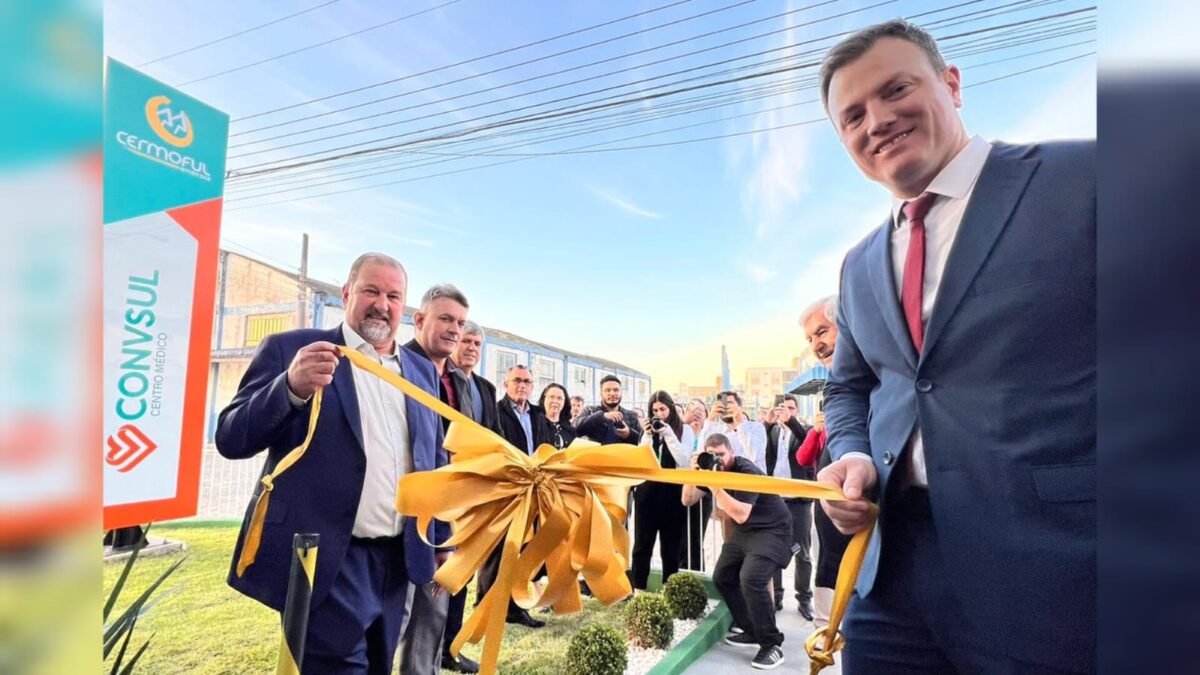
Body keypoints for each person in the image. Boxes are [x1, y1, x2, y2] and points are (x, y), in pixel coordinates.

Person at [818, 20, 1095, 673]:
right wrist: (852, 453)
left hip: (1058, 568)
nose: (877, 120)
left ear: (951, 83)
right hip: (890, 576)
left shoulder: (1087, 178)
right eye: (852, 115)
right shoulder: (858, 265)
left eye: (895, 90)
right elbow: (848, 390)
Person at [216, 252, 449, 673]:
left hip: (398, 562)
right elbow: (231, 437)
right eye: (371, 291)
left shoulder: (420, 371)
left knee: (380, 664)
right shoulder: (294, 349)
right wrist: (289, 387)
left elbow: (433, 459)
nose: (383, 304)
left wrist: (441, 537)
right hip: (328, 561)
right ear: (346, 294)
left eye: (394, 296)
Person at [398, 284, 479, 675]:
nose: (454, 330)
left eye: (460, 323)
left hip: (452, 515)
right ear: (419, 319)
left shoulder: (459, 381)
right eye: (445, 319)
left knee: (432, 614)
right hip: (404, 515)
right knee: (395, 619)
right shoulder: (395, 366)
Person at [683, 434, 791, 670]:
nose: (717, 460)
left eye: (721, 454)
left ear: (731, 452)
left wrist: (714, 485)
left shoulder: (746, 471)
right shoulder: (710, 469)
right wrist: (692, 474)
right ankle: (752, 630)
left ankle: (772, 644)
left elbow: (741, 514)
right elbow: (687, 500)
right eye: (712, 454)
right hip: (746, 531)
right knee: (722, 576)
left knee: (752, 578)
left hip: (772, 529)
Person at [478, 365, 551, 628]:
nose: (522, 385)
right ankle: (489, 605)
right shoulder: (497, 411)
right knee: (496, 549)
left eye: (527, 381)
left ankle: (512, 606)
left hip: (533, 491)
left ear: (533, 387)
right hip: (505, 489)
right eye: (517, 380)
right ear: (506, 383)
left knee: (521, 548)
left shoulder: (539, 415)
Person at [795, 295, 851, 631]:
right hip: (831, 533)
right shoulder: (835, 390)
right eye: (810, 339)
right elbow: (804, 458)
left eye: (822, 332)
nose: (817, 344)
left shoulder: (880, 380)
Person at [630, 391, 693, 590]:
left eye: (663, 409)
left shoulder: (685, 430)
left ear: (671, 408)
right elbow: (642, 459)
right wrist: (648, 435)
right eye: (655, 410)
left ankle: (670, 589)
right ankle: (639, 588)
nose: (659, 414)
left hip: (673, 493)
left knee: (671, 546)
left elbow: (684, 461)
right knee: (642, 545)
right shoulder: (647, 431)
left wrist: (669, 434)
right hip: (647, 493)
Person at [762, 394, 814, 619]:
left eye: (791, 408)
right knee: (774, 550)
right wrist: (767, 422)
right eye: (782, 408)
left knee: (802, 552)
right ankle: (777, 596)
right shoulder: (773, 431)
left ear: (797, 411)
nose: (786, 412)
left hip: (799, 501)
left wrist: (791, 422)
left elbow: (805, 441)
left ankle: (804, 598)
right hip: (776, 499)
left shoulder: (807, 429)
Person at [679, 398, 714, 572]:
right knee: (677, 537)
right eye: (692, 409)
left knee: (694, 537)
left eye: (701, 410)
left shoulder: (708, 435)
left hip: (701, 491)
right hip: (678, 490)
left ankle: (695, 574)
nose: (696, 413)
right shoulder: (679, 433)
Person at [450, 321, 500, 434]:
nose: (472, 348)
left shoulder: (488, 388)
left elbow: (496, 432)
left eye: (477, 344)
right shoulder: (439, 378)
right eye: (466, 341)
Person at [699, 391, 766, 470]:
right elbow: (702, 453)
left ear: (740, 407)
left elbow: (755, 455)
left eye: (730, 403)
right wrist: (710, 420)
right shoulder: (718, 430)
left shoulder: (756, 427)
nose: (725, 407)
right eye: (722, 404)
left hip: (752, 479)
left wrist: (739, 424)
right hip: (727, 480)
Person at [573, 375, 643, 445]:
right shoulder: (590, 411)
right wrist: (602, 416)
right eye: (607, 390)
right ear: (601, 393)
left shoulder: (632, 416)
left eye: (616, 390)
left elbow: (642, 442)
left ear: (621, 392)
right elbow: (574, 429)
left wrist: (629, 434)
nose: (612, 393)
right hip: (597, 455)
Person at [537, 383, 576, 449]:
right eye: (551, 397)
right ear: (544, 399)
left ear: (564, 402)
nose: (555, 401)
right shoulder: (535, 424)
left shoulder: (570, 430)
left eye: (559, 398)